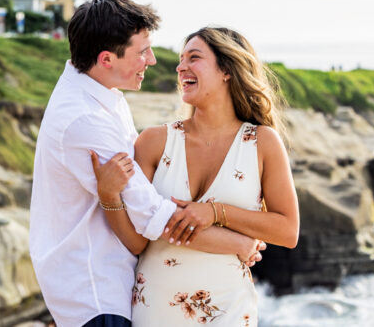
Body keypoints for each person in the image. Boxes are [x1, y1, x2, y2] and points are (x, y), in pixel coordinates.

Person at [30, 0, 266, 327]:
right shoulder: (85, 120)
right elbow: (151, 215)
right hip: (96, 293)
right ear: (106, 58)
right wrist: (238, 243)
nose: (152, 60)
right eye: (142, 51)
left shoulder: (102, 98)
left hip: (115, 287)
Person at [93, 27, 299, 325]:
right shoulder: (154, 142)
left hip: (228, 310)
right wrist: (109, 196)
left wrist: (215, 212)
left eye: (194, 57)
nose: (181, 67)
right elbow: (137, 242)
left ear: (227, 69)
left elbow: (287, 231)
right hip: (157, 309)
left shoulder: (262, 143)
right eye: (180, 59)